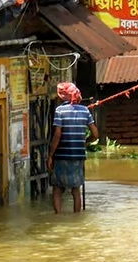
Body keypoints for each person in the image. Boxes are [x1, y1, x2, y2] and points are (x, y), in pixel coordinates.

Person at [46, 82, 98, 214]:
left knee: (57, 189)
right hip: (78, 155)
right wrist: (85, 143)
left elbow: (57, 135)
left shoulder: (59, 111)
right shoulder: (85, 110)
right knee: (76, 189)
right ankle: (77, 217)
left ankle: (57, 216)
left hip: (61, 155)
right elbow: (95, 135)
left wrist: (50, 155)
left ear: (62, 96)